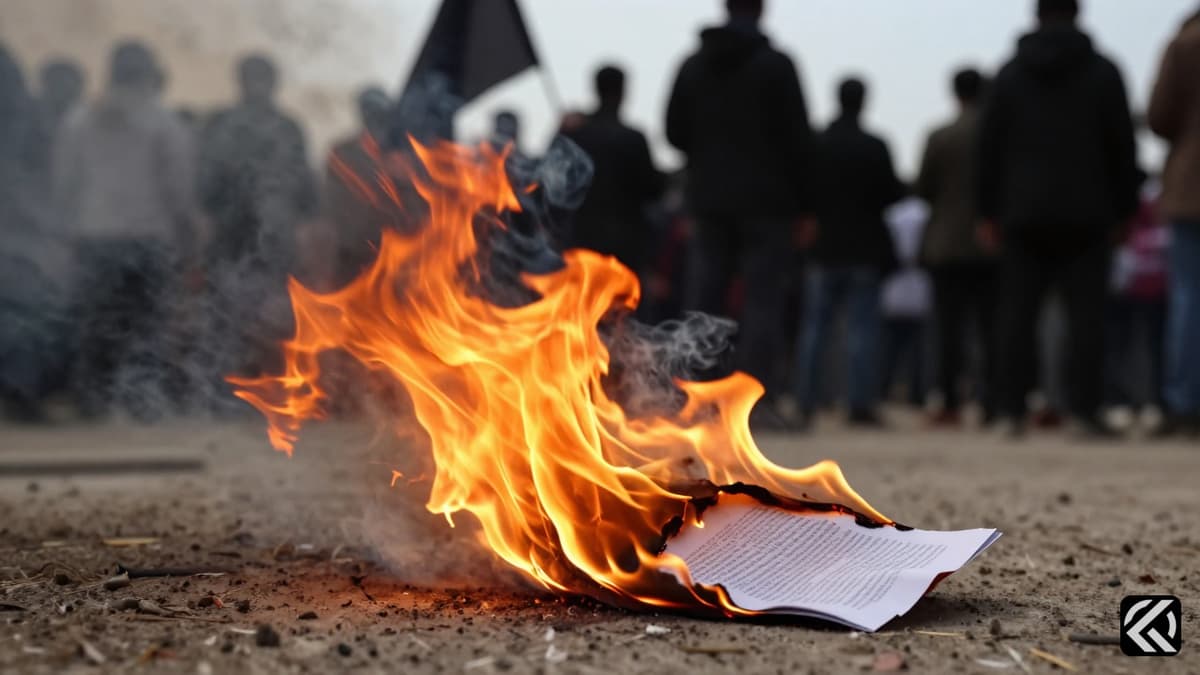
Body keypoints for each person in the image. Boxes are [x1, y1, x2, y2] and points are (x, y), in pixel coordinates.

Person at [979, 0, 1140, 438]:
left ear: (1037, 15)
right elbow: (1122, 145)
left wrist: (987, 210)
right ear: (1077, 13)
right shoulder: (1105, 72)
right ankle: (1085, 411)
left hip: (1022, 210)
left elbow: (989, 145)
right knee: (1087, 317)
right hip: (1089, 211)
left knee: (1016, 315)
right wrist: (1125, 209)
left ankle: (1010, 410)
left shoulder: (1010, 73)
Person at [665, 0, 815, 414]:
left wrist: (709, 154)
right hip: (769, 203)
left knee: (703, 300)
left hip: (708, 199)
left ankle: (697, 400)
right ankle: (757, 404)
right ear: (761, 11)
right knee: (763, 302)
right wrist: (805, 207)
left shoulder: (694, 65)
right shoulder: (778, 66)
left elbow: (673, 130)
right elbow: (799, 141)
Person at [53, 42, 201, 420]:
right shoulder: (164, 122)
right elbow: (178, 190)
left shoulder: (79, 119)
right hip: (148, 238)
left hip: (94, 236)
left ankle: (91, 403)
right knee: (146, 323)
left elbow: (64, 184)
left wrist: (65, 233)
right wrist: (188, 236)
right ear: (149, 73)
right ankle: (142, 403)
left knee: (95, 322)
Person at [793, 77, 906, 428]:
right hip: (864, 248)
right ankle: (858, 404)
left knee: (815, 330)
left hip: (824, 247)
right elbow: (892, 193)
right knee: (862, 331)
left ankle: (806, 401)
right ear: (864, 101)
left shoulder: (816, 145)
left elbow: (802, 192)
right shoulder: (875, 146)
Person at [198, 54, 317, 381]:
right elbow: (206, 181)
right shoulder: (221, 125)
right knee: (224, 311)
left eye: (262, 78)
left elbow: (304, 184)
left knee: (274, 313)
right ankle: (223, 386)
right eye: (252, 78)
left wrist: (305, 227)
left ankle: (274, 383)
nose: (257, 86)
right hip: (231, 234)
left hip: (274, 236)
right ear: (241, 81)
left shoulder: (287, 128)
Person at [916, 68, 998, 427]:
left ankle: (949, 402)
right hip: (990, 244)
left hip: (946, 244)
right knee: (991, 328)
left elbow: (923, 188)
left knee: (948, 330)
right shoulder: (997, 135)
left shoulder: (941, 136)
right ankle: (993, 401)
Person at [1148, 6, 1200, 437]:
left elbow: (1159, 116)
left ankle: (1184, 404)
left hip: (1192, 186)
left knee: (1188, 297)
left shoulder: (1184, 45)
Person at [563, 65, 665, 281]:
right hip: (626, 241)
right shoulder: (633, 139)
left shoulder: (578, 136)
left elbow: (556, 181)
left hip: (584, 236)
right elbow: (653, 189)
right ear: (623, 92)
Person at [322, 87, 400, 289]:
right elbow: (332, 199)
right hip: (351, 244)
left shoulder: (403, 154)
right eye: (369, 111)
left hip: (393, 245)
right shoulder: (343, 152)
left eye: (379, 112)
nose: (374, 118)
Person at [880, 197, 932, 409]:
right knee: (916, 349)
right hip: (915, 285)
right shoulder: (924, 213)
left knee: (891, 348)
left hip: (896, 286)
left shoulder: (891, 213)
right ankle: (916, 392)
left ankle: (883, 389)